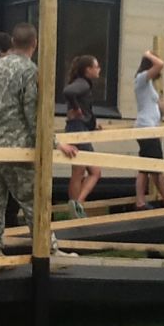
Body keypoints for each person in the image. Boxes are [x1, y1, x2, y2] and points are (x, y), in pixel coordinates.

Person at [0, 22, 78, 272]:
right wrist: (53, 142)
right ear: (35, 44)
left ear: (12, 41)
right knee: (35, 201)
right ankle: (48, 253)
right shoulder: (30, 71)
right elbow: (34, 115)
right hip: (18, 149)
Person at [134, 50, 164, 210]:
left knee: (146, 167)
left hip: (149, 128)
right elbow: (160, 64)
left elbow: (160, 104)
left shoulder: (149, 85)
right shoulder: (141, 79)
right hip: (146, 128)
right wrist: (148, 54)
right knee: (155, 168)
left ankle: (141, 202)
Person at [62, 55, 103, 218]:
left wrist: (93, 124)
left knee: (78, 171)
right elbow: (68, 91)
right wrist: (76, 108)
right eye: (97, 66)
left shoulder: (83, 84)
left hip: (78, 127)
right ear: (88, 70)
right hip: (78, 130)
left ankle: (76, 207)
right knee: (95, 171)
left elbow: (86, 110)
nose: (99, 70)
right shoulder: (83, 83)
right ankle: (77, 205)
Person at [0, 31, 20, 229]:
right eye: (10, 51)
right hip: (7, 140)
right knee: (12, 190)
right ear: (2, 52)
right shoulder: (4, 73)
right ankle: (10, 230)